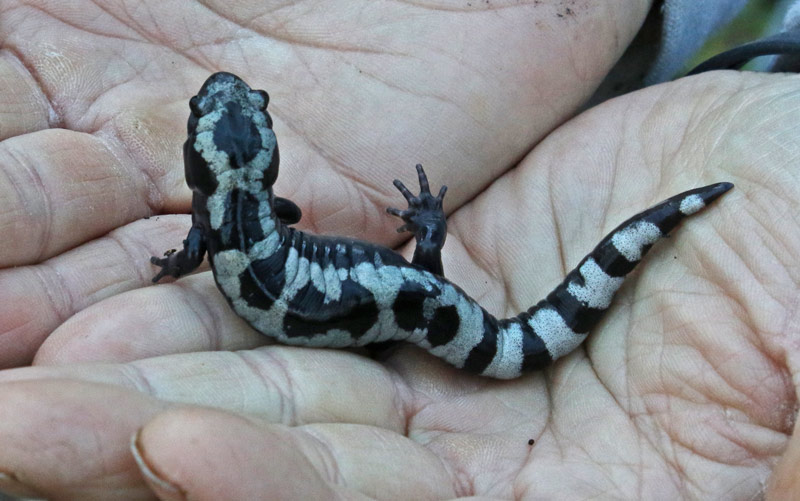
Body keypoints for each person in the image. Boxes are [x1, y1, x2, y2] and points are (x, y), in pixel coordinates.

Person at [0, 1, 798, 498]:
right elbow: (279, 212)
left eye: (245, 107)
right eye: (229, 110)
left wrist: (175, 267)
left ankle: (428, 290)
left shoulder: (212, 221)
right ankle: (427, 270)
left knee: (423, 308)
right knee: (419, 301)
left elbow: (212, 242)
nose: (229, 95)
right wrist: (425, 232)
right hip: (410, 303)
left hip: (414, 312)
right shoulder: (245, 209)